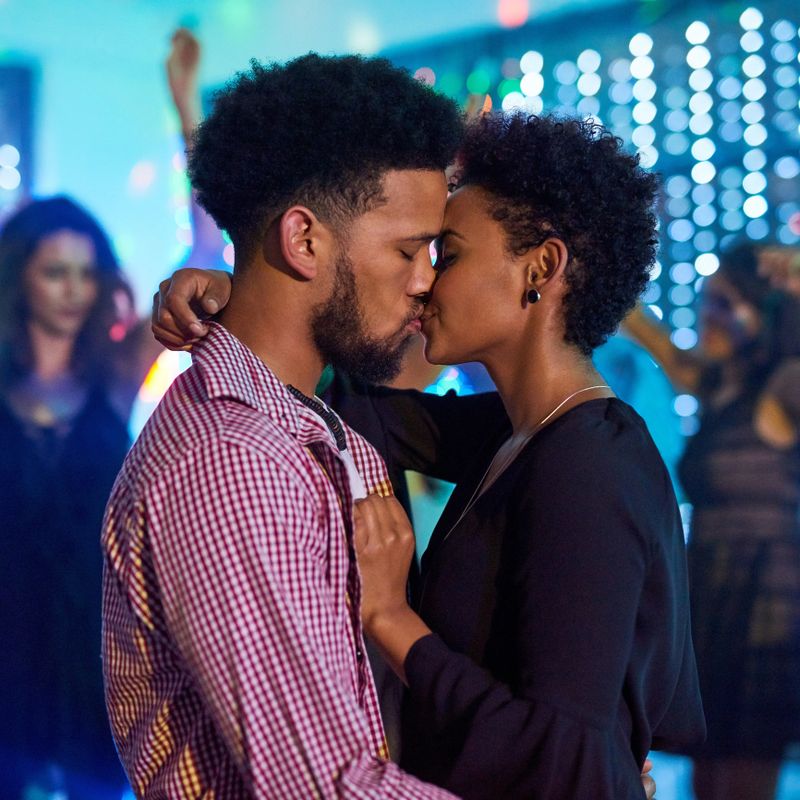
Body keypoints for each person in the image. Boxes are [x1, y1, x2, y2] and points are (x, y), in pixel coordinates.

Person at [157, 112, 701, 799]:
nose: (425, 282)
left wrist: (390, 618)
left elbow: (571, 759)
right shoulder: (515, 431)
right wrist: (247, 293)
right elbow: (347, 405)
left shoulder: (589, 464)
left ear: (542, 267)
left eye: (449, 254)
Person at [101, 53, 465, 798]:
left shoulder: (311, 422)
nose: (426, 276)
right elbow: (327, 787)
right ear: (303, 241)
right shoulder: (233, 465)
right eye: (407, 249)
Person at [623, 243, 800, 800]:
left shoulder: (785, 387)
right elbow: (656, 342)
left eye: (724, 303)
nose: (707, 314)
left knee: (746, 768)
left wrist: (794, 279)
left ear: (763, 311)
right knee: (708, 767)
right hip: (714, 592)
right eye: (706, 300)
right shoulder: (719, 388)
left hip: (767, 600)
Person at [0, 195, 157, 797]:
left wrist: (189, 122)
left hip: (94, 648)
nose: (74, 290)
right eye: (55, 272)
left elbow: (205, 261)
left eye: (87, 274)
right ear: (21, 277)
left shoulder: (113, 374)